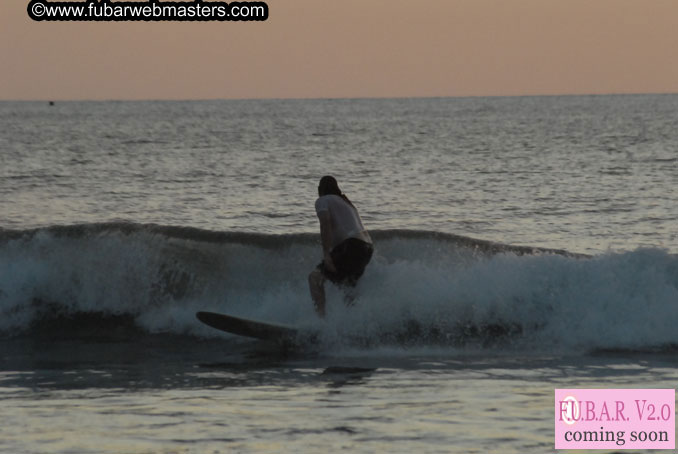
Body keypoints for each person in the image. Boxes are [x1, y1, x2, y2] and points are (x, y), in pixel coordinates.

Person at [308, 176, 374, 317]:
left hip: (352, 246)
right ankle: (352, 325)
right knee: (347, 287)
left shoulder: (322, 200)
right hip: (367, 249)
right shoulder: (347, 203)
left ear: (320, 190)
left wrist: (326, 254)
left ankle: (321, 323)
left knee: (314, 279)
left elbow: (325, 224)